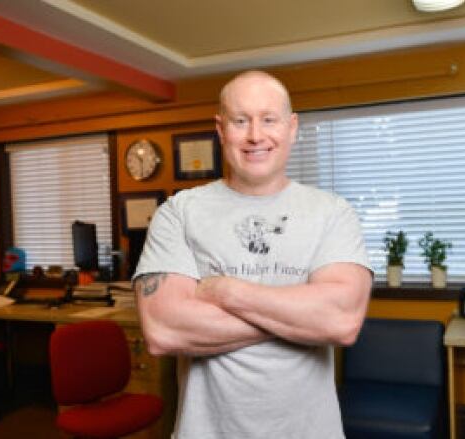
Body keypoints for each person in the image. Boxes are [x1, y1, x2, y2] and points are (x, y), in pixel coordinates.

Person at [133, 70, 373, 439]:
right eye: (240, 121)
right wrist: (300, 319)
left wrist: (225, 291)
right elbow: (164, 330)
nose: (255, 136)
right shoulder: (178, 212)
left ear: (292, 127)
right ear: (220, 129)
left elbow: (340, 321)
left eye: (269, 119)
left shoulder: (333, 212)